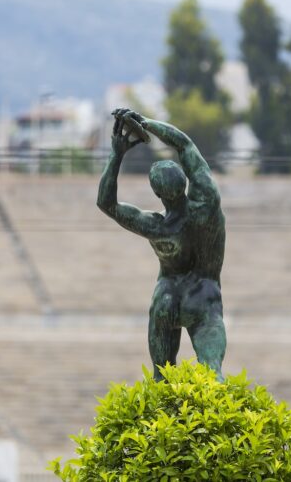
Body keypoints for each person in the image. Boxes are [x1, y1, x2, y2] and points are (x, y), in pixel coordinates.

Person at [97, 109, 227, 380]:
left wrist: (117, 153)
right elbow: (185, 144)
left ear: (158, 194)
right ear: (184, 181)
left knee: (161, 381)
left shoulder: (156, 227)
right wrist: (147, 124)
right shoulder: (206, 203)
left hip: (167, 298)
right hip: (203, 296)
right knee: (213, 377)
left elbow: (106, 203)